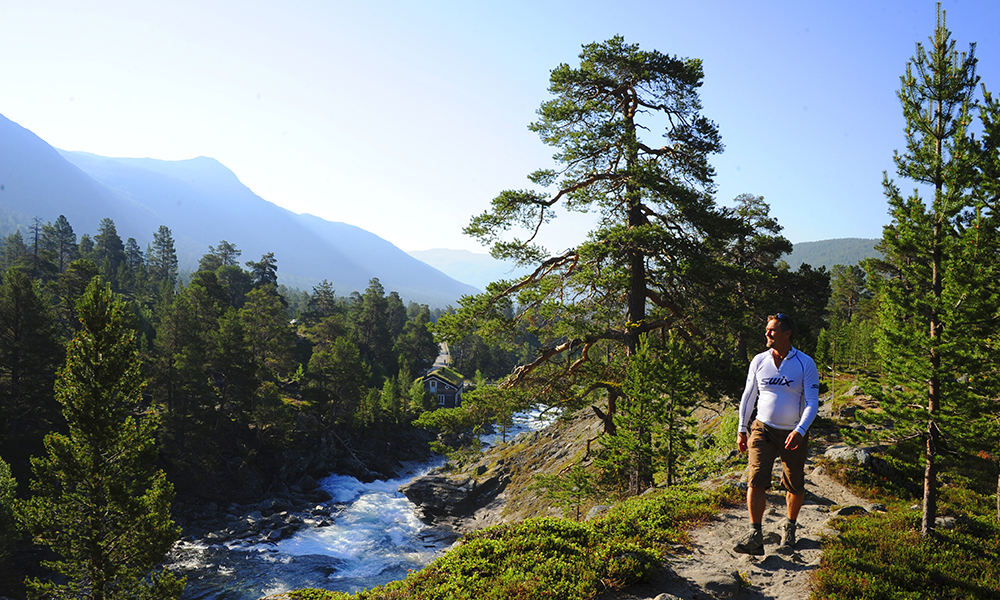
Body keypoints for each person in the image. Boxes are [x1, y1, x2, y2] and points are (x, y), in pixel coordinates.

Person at [733, 313, 819, 555]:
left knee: (794, 483)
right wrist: (742, 428)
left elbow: (812, 402)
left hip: (794, 432)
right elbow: (748, 396)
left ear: (787, 333)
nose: (767, 334)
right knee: (757, 477)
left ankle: (790, 527)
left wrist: (800, 430)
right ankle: (755, 535)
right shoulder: (759, 361)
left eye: (772, 330)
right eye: (767, 329)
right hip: (763, 429)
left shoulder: (805, 363)